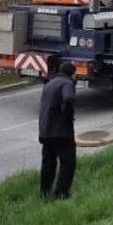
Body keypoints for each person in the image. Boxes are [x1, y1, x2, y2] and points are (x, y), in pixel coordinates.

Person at [38, 61, 77, 199]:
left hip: (45, 130)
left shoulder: (49, 84)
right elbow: (68, 99)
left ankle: (44, 192)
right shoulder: (67, 84)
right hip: (60, 131)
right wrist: (68, 117)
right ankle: (61, 194)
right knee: (68, 162)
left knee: (48, 163)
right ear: (72, 73)